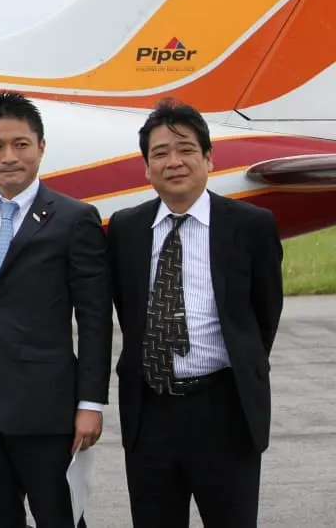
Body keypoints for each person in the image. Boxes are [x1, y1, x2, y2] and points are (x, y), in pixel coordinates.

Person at [0, 91, 113, 528]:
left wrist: (91, 403)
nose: (8, 156)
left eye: (21, 145)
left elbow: (93, 319)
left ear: (41, 147)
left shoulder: (74, 218)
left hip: (47, 411)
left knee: (60, 518)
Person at [107, 98, 284, 528]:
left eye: (186, 149)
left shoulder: (251, 225)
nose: (174, 162)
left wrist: (240, 370)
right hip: (150, 412)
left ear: (208, 157)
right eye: (160, 153)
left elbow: (265, 315)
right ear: (146, 168)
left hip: (224, 409)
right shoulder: (125, 229)